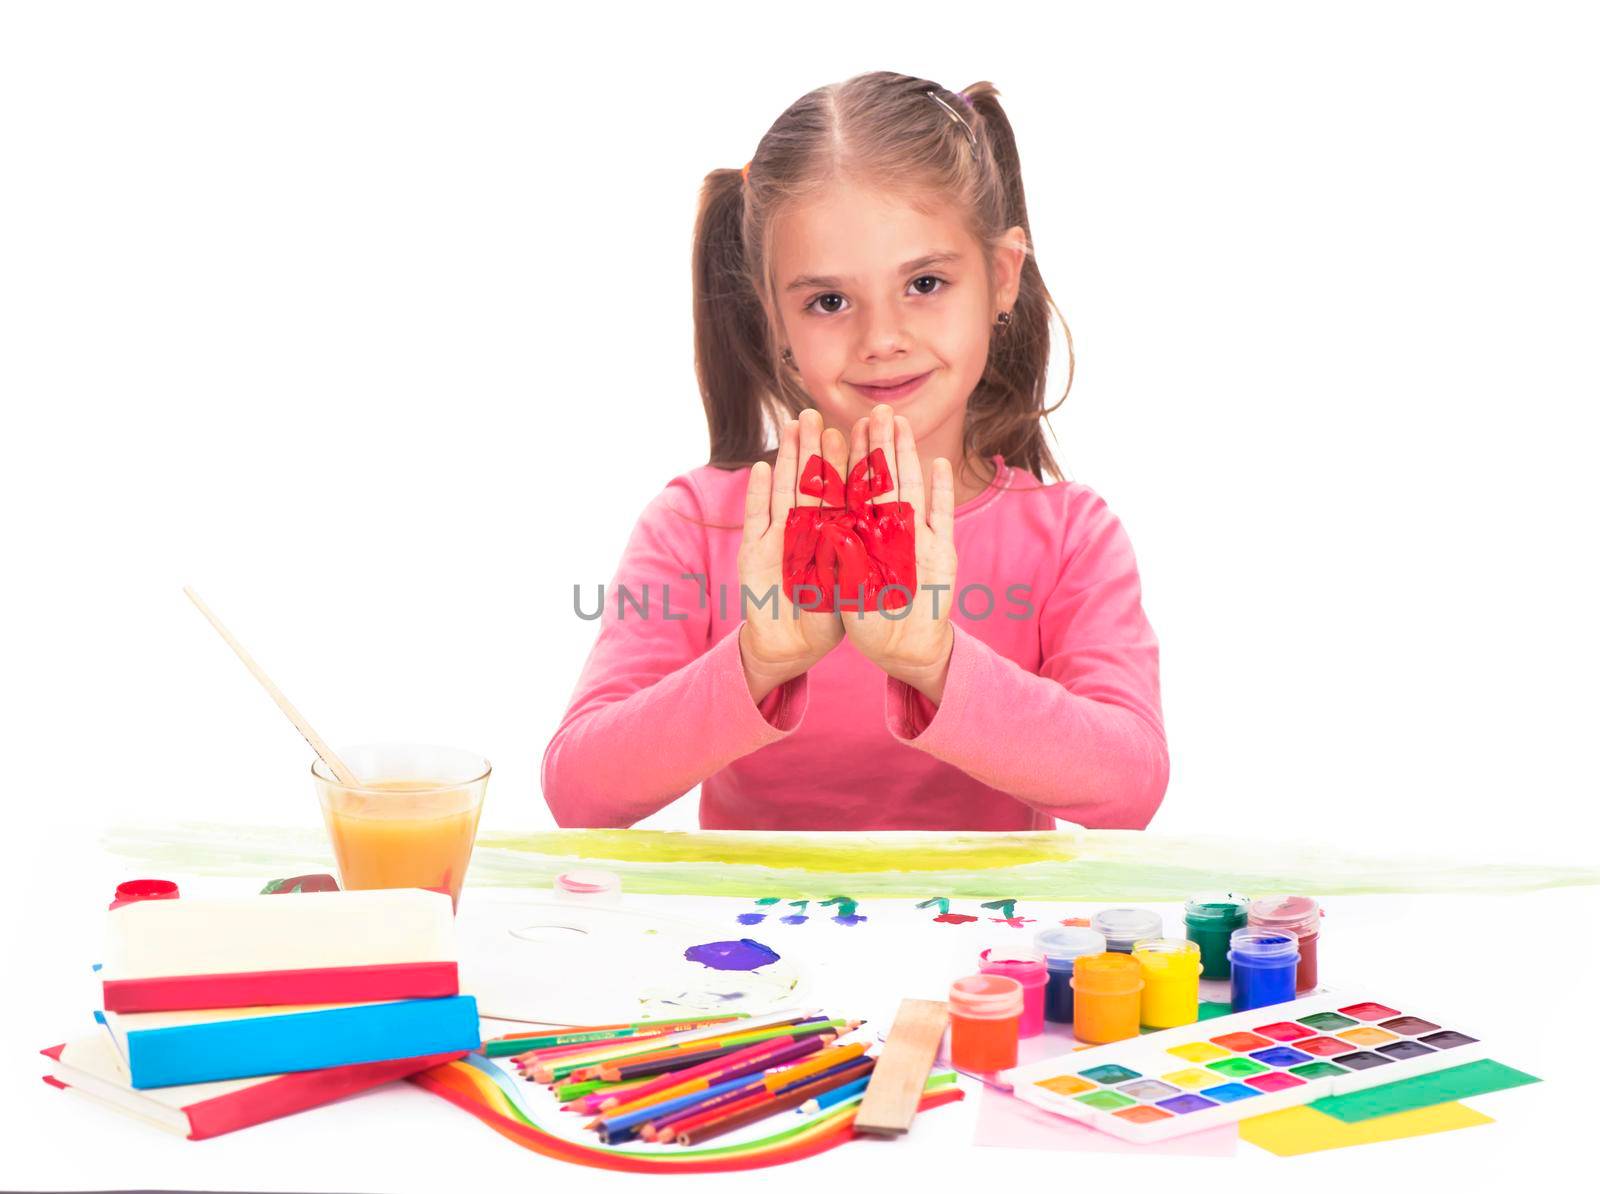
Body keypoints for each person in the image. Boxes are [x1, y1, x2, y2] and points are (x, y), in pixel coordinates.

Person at [542, 71, 1168, 830]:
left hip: (981, 948)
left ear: (1002, 278)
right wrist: (759, 660)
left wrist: (935, 663)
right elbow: (579, 789)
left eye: (926, 282)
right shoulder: (698, 525)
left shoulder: (1071, 537)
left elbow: (1131, 785)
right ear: (774, 317)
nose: (881, 340)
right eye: (829, 302)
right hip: (757, 947)